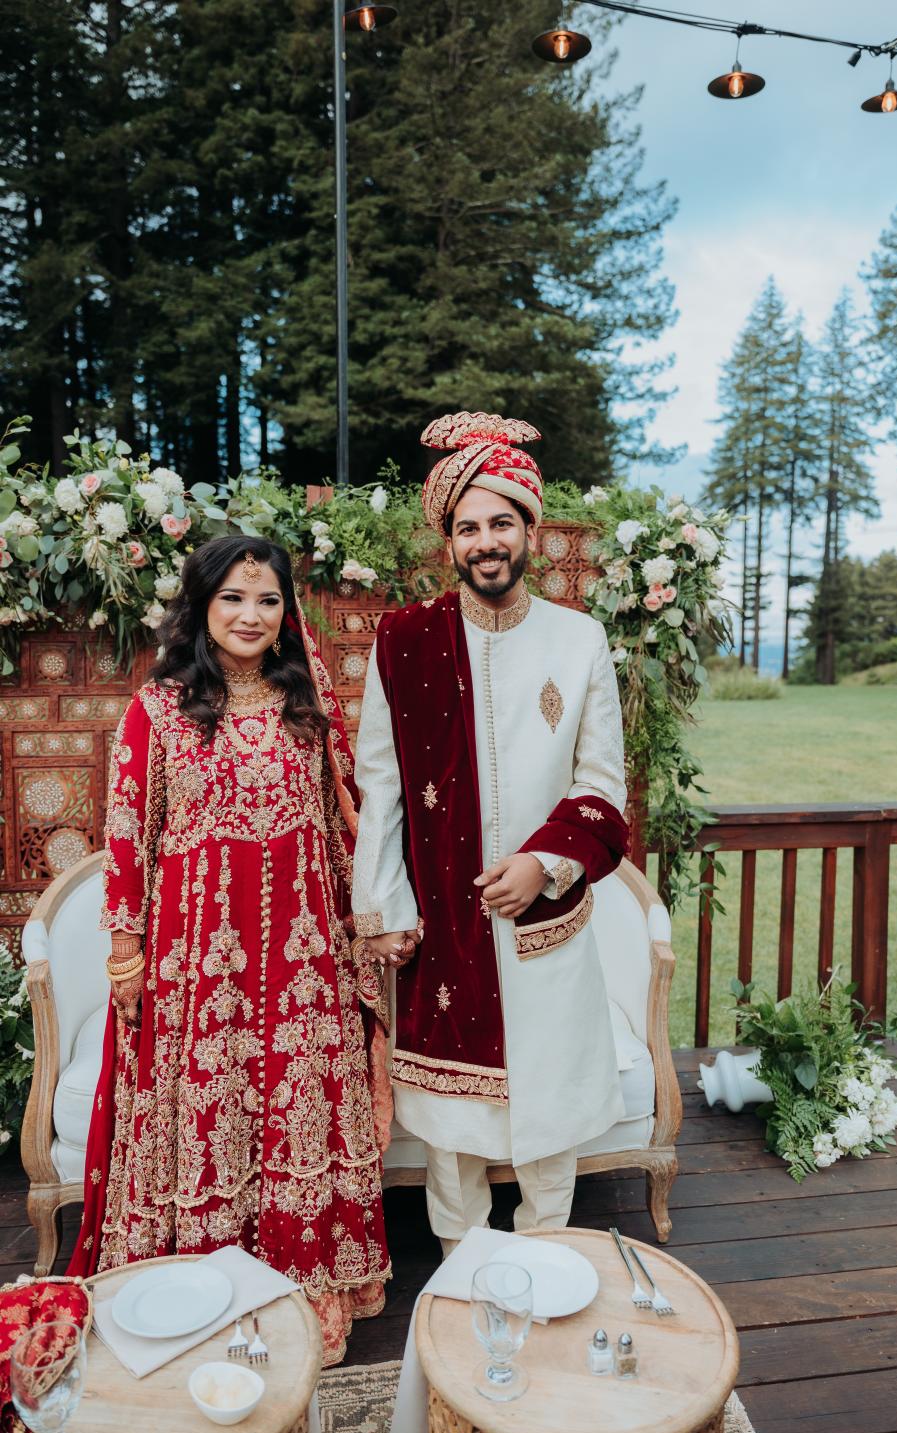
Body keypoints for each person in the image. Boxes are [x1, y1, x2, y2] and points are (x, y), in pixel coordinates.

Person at [68, 535, 391, 1366]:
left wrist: (371, 929)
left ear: (287, 616)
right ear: (201, 608)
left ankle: (301, 1295)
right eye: (233, 599)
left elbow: (342, 829)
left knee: (295, 1117)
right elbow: (129, 835)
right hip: (195, 963)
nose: (251, 616)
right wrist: (126, 955)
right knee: (213, 1118)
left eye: (268, 600)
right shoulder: (159, 708)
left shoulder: (306, 709)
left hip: (300, 964)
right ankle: (197, 1294)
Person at [351, 411, 629, 1254]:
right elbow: (381, 783)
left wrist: (545, 863)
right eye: (468, 525)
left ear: (529, 531)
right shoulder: (404, 642)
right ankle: (462, 1271)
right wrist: (386, 904)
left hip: (542, 914)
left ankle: (550, 1255)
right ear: (449, 540)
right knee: (452, 1128)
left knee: (547, 1107)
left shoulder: (579, 641)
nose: (485, 540)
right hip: (441, 917)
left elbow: (603, 787)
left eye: (501, 521)